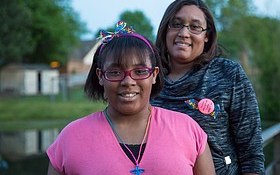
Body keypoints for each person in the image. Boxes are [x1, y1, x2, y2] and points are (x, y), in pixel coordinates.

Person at [46, 21, 215, 175]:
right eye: (115, 72)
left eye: (140, 71)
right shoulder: (71, 138)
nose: (128, 81)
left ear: (154, 74)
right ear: (100, 76)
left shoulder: (188, 130)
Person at [151, 0, 265, 175]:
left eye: (195, 27)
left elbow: (251, 152)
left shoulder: (228, 74)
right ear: (165, 30)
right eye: (176, 24)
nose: (184, 33)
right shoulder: (148, 78)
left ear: (207, 36)